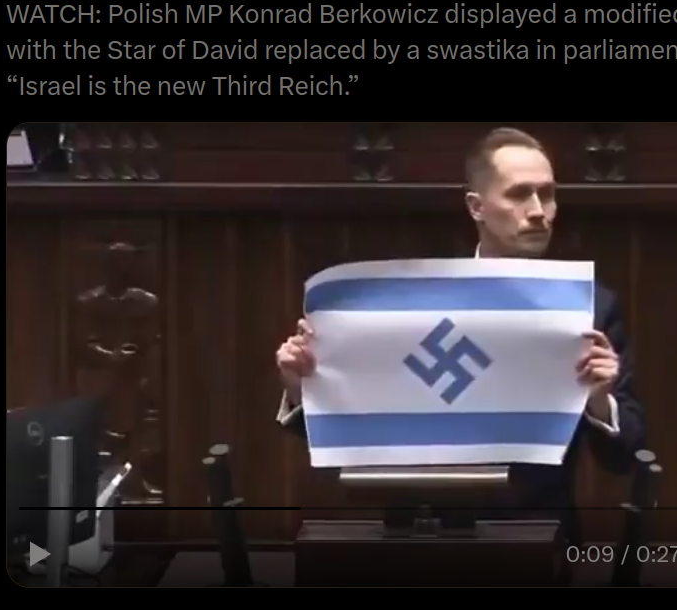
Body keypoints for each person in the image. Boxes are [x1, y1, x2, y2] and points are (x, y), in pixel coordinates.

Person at [275, 127, 646, 578]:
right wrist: (302, 387)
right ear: (476, 207)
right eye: (519, 194)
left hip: (537, 543)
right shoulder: (411, 303)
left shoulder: (591, 308)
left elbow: (624, 455)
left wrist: (598, 399)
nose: (538, 211)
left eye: (547, 195)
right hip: (413, 541)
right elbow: (353, 424)